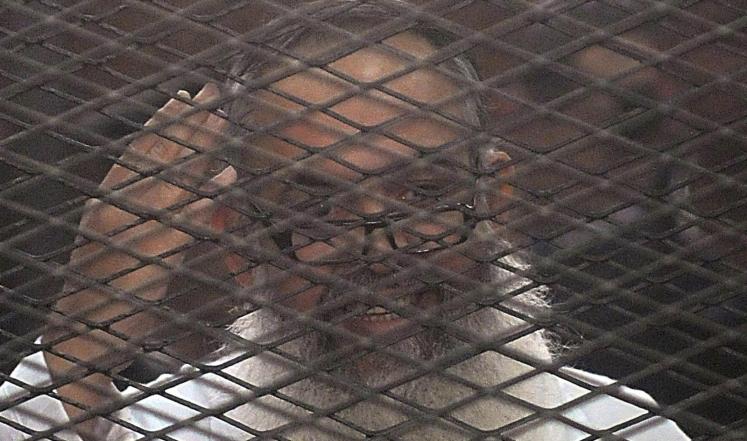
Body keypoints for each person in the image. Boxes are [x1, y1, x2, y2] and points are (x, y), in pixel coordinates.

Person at [0, 1, 691, 440]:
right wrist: (78, 344)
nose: (377, 248)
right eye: (314, 208)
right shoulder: (172, 428)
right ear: (240, 238)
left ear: (494, 202)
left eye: (422, 194)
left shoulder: (617, 432)